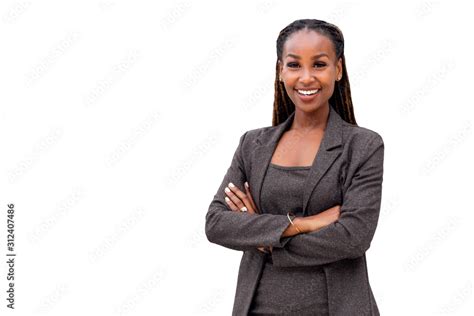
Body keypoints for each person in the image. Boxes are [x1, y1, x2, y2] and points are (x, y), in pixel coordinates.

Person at [205, 18, 384, 315]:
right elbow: (216, 223)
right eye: (294, 65)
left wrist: (263, 237)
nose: (306, 77)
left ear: (338, 70)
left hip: (334, 308)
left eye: (319, 64)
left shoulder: (362, 146)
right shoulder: (253, 145)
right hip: (257, 307)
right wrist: (299, 224)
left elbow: (353, 237)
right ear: (279, 71)